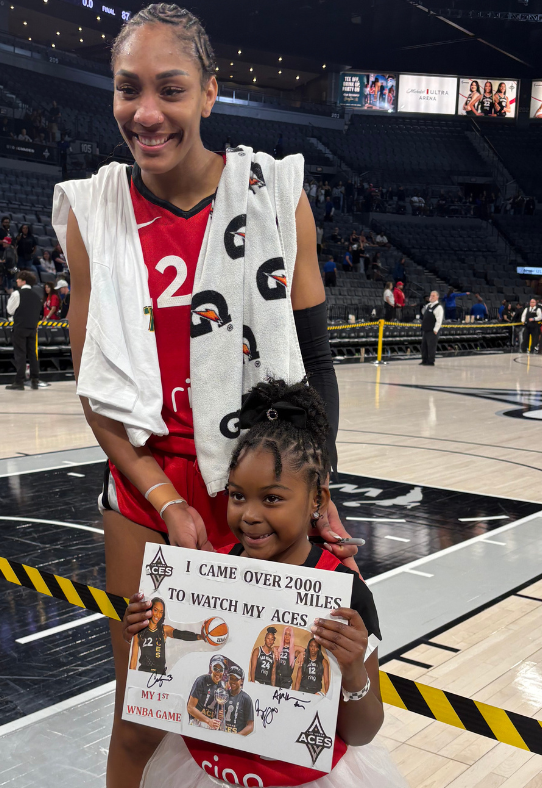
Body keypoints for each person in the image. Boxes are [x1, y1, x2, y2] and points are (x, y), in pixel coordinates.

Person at [55, 8, 352, 787]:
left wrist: (320, 486)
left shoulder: (277, 194)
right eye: (128, 90)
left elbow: (314, 363)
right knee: (141, 717)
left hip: (254, 485)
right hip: (145, 490)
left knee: (271, 718)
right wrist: (161, 495)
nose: (145, 113)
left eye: (170, 89)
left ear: (211, 94)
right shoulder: (94, 212)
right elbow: (97, 388)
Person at [127, 380, 403, 788]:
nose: (249, 515)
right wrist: (147, 632)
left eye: (271, 498)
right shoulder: (209, 575)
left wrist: (352, 670)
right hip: (209, 771)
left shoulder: (345, 594)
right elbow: (171, 674)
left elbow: (363, 732)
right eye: (238, 496)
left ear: (317, 500)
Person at [128, 597, 202, 673]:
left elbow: (180, 634)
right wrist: (131, 678)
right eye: (156, 610)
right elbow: (133, 660)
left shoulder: (164, 629)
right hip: (144, 671)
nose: (158, 615)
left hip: (160, 674)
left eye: (161, 612)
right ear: (150, 609)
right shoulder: (140, 631)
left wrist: (198, 636)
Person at [5, 269, 42, 391]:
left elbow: (10, 310)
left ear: (23, 281)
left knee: (20, 354)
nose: (17, 281)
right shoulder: (37, 296)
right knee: (32, 354)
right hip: (32, 327)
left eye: (18, 279)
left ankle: (19, 381)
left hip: (20, 327)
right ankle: (35, 380)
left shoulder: (17, 294)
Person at [420, 290, 444, 366]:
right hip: (426, 329)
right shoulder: (428, 305)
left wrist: (436, 329)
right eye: (431, 295)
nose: (431, 297)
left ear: (437, 297)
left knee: (431, 346)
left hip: (432, 330)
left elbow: (439, 320)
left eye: (433, 296)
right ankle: (424, 360)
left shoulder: (438, 307)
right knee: (424, 346)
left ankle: (431, 361)